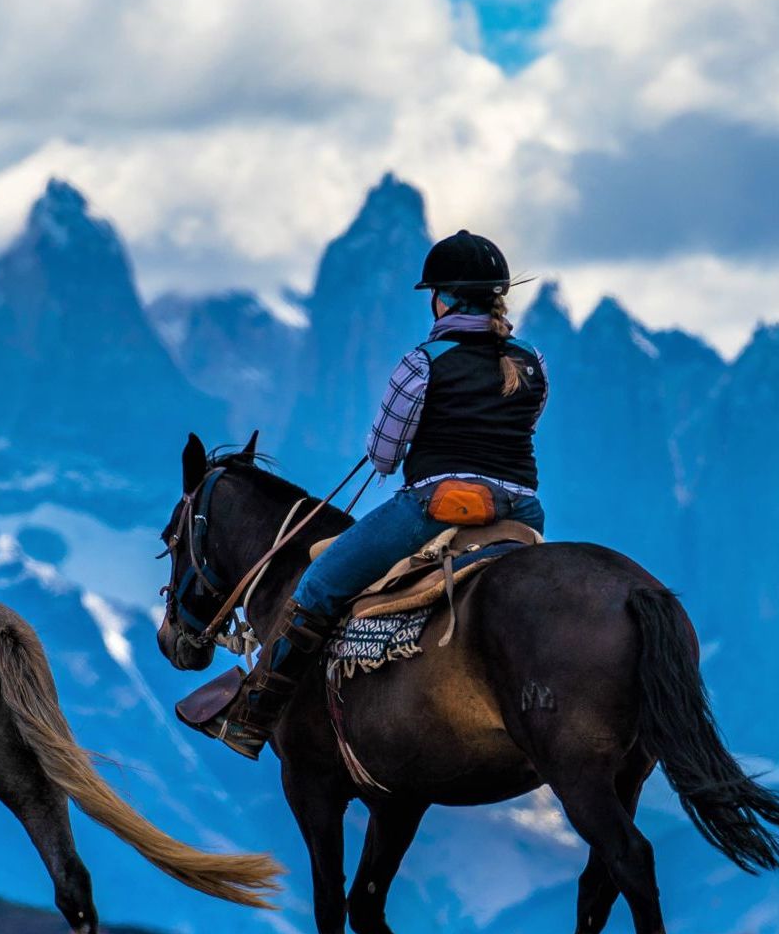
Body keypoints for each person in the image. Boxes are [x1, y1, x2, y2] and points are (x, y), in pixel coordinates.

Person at [207, 230, 548, 759]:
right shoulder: (530, 361)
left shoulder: (423, 362)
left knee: (317, 584)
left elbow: (385, 456)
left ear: (444, 297)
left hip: (439, 506)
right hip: (522, 511)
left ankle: (254, 717)